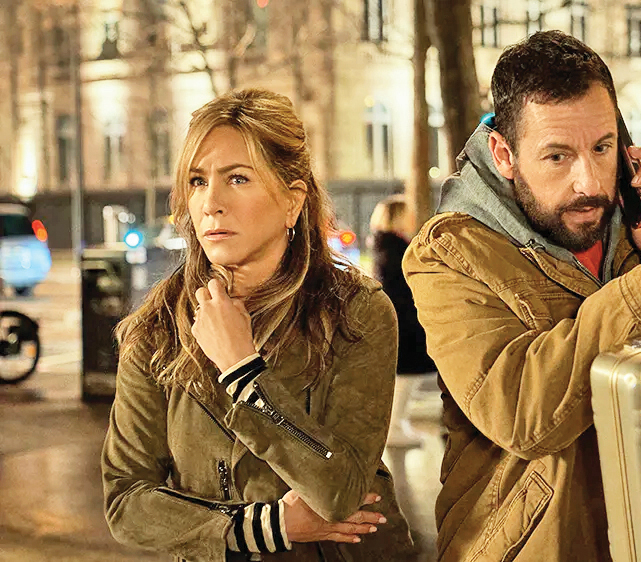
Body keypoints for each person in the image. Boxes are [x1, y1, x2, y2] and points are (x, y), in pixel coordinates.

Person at [402, 31, 641, 561]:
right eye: (557, 156)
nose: (589, 182)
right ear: (504, 154)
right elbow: (522, 412)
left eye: (602, 147)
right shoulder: (451, 254)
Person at [102, 89, 415, 562]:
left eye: (238, 178)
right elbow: (126, 501)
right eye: (197, 181)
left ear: (292, 201)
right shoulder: (157, 328)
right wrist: (264, 527)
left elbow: (341, 490)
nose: (211, 203)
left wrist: (245, 373)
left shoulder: (356, 312)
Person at [369, 195, 437, 448]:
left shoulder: (389, 244)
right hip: (404, 322)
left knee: (406, 374)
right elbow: (398, 288)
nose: (412, 217)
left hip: (404, 320)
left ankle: (396, 424)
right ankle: (393, 426)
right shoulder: (394, 248)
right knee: (404, 375)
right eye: (407, 213)